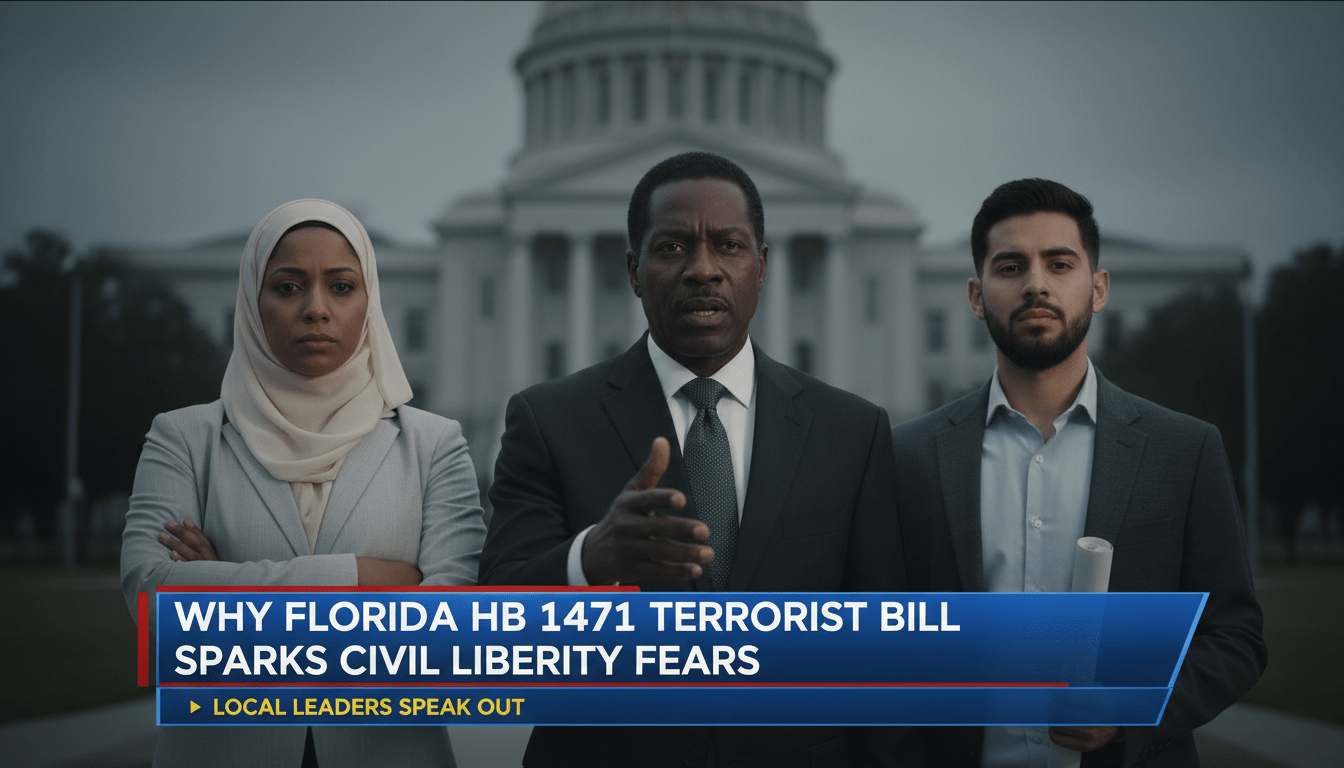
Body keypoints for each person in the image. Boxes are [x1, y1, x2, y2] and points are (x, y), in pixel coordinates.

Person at [478, 151, 910, 767]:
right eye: (673, 247)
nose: (703, 270)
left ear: (763, 267)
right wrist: (589, 560)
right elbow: (492, 623)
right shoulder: (549, 420)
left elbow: (883, 651)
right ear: (634, 270)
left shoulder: (850, 431)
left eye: (729, 246)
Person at [892, 178, 1266, 767]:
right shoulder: (908, 456)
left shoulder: (1184, 450)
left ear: (1097, 289)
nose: (1036, 284)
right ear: (976, 296)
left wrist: (1129, 708)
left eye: (1059, 264)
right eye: (1010, 266)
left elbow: (1234, 637)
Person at [120, 199, 485, 768]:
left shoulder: (433, 445)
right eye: (288, 287)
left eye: (341, 287)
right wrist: (365, 579)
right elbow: (154, 602)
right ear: (252, 301)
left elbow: (450, 633)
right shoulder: (184, 438)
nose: (316, 309)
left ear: (369, 301)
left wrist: (219, 594)